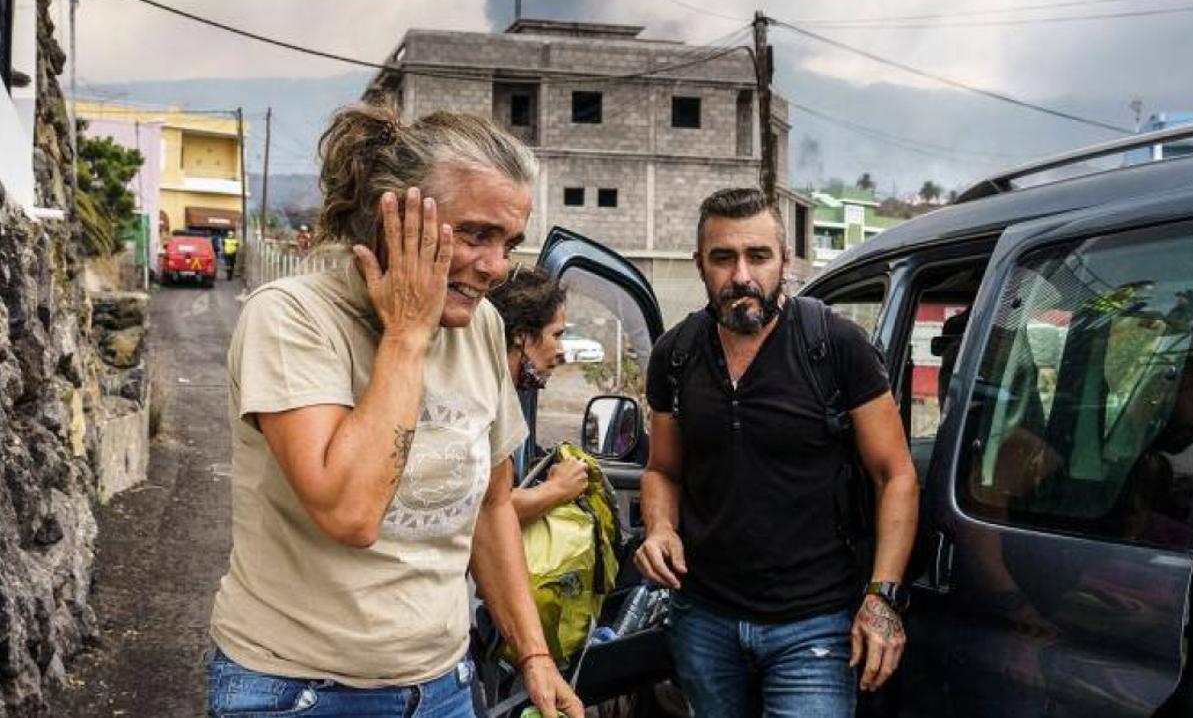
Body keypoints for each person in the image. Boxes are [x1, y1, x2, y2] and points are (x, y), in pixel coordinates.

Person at [208, 104, 583, 718]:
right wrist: (407, 332)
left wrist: (534, 655)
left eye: (508, 242)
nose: (495, 267)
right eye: (474, 234)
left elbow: (491, 508)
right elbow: (350, 512)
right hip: (297, 691)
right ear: (395, 216)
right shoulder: (292, 318)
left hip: (441, 686)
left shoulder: (482, 326)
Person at [634, 188, 920, 717]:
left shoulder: (835, 345)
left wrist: (882, 598)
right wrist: (660, 529)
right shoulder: (675, 355)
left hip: (814, 627)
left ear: (784, 262)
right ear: (700, 264)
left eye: (758, 257)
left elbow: (894, 474)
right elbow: (662, 471)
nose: (741, 275)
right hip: (703, 619)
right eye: (723, 257)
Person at [486, 266, 589, 526]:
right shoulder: (484, 399)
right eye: (556, 335)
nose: (561, 351)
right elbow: (488, 509)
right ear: (521, 335)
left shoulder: (499, 391)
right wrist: (558, 488)